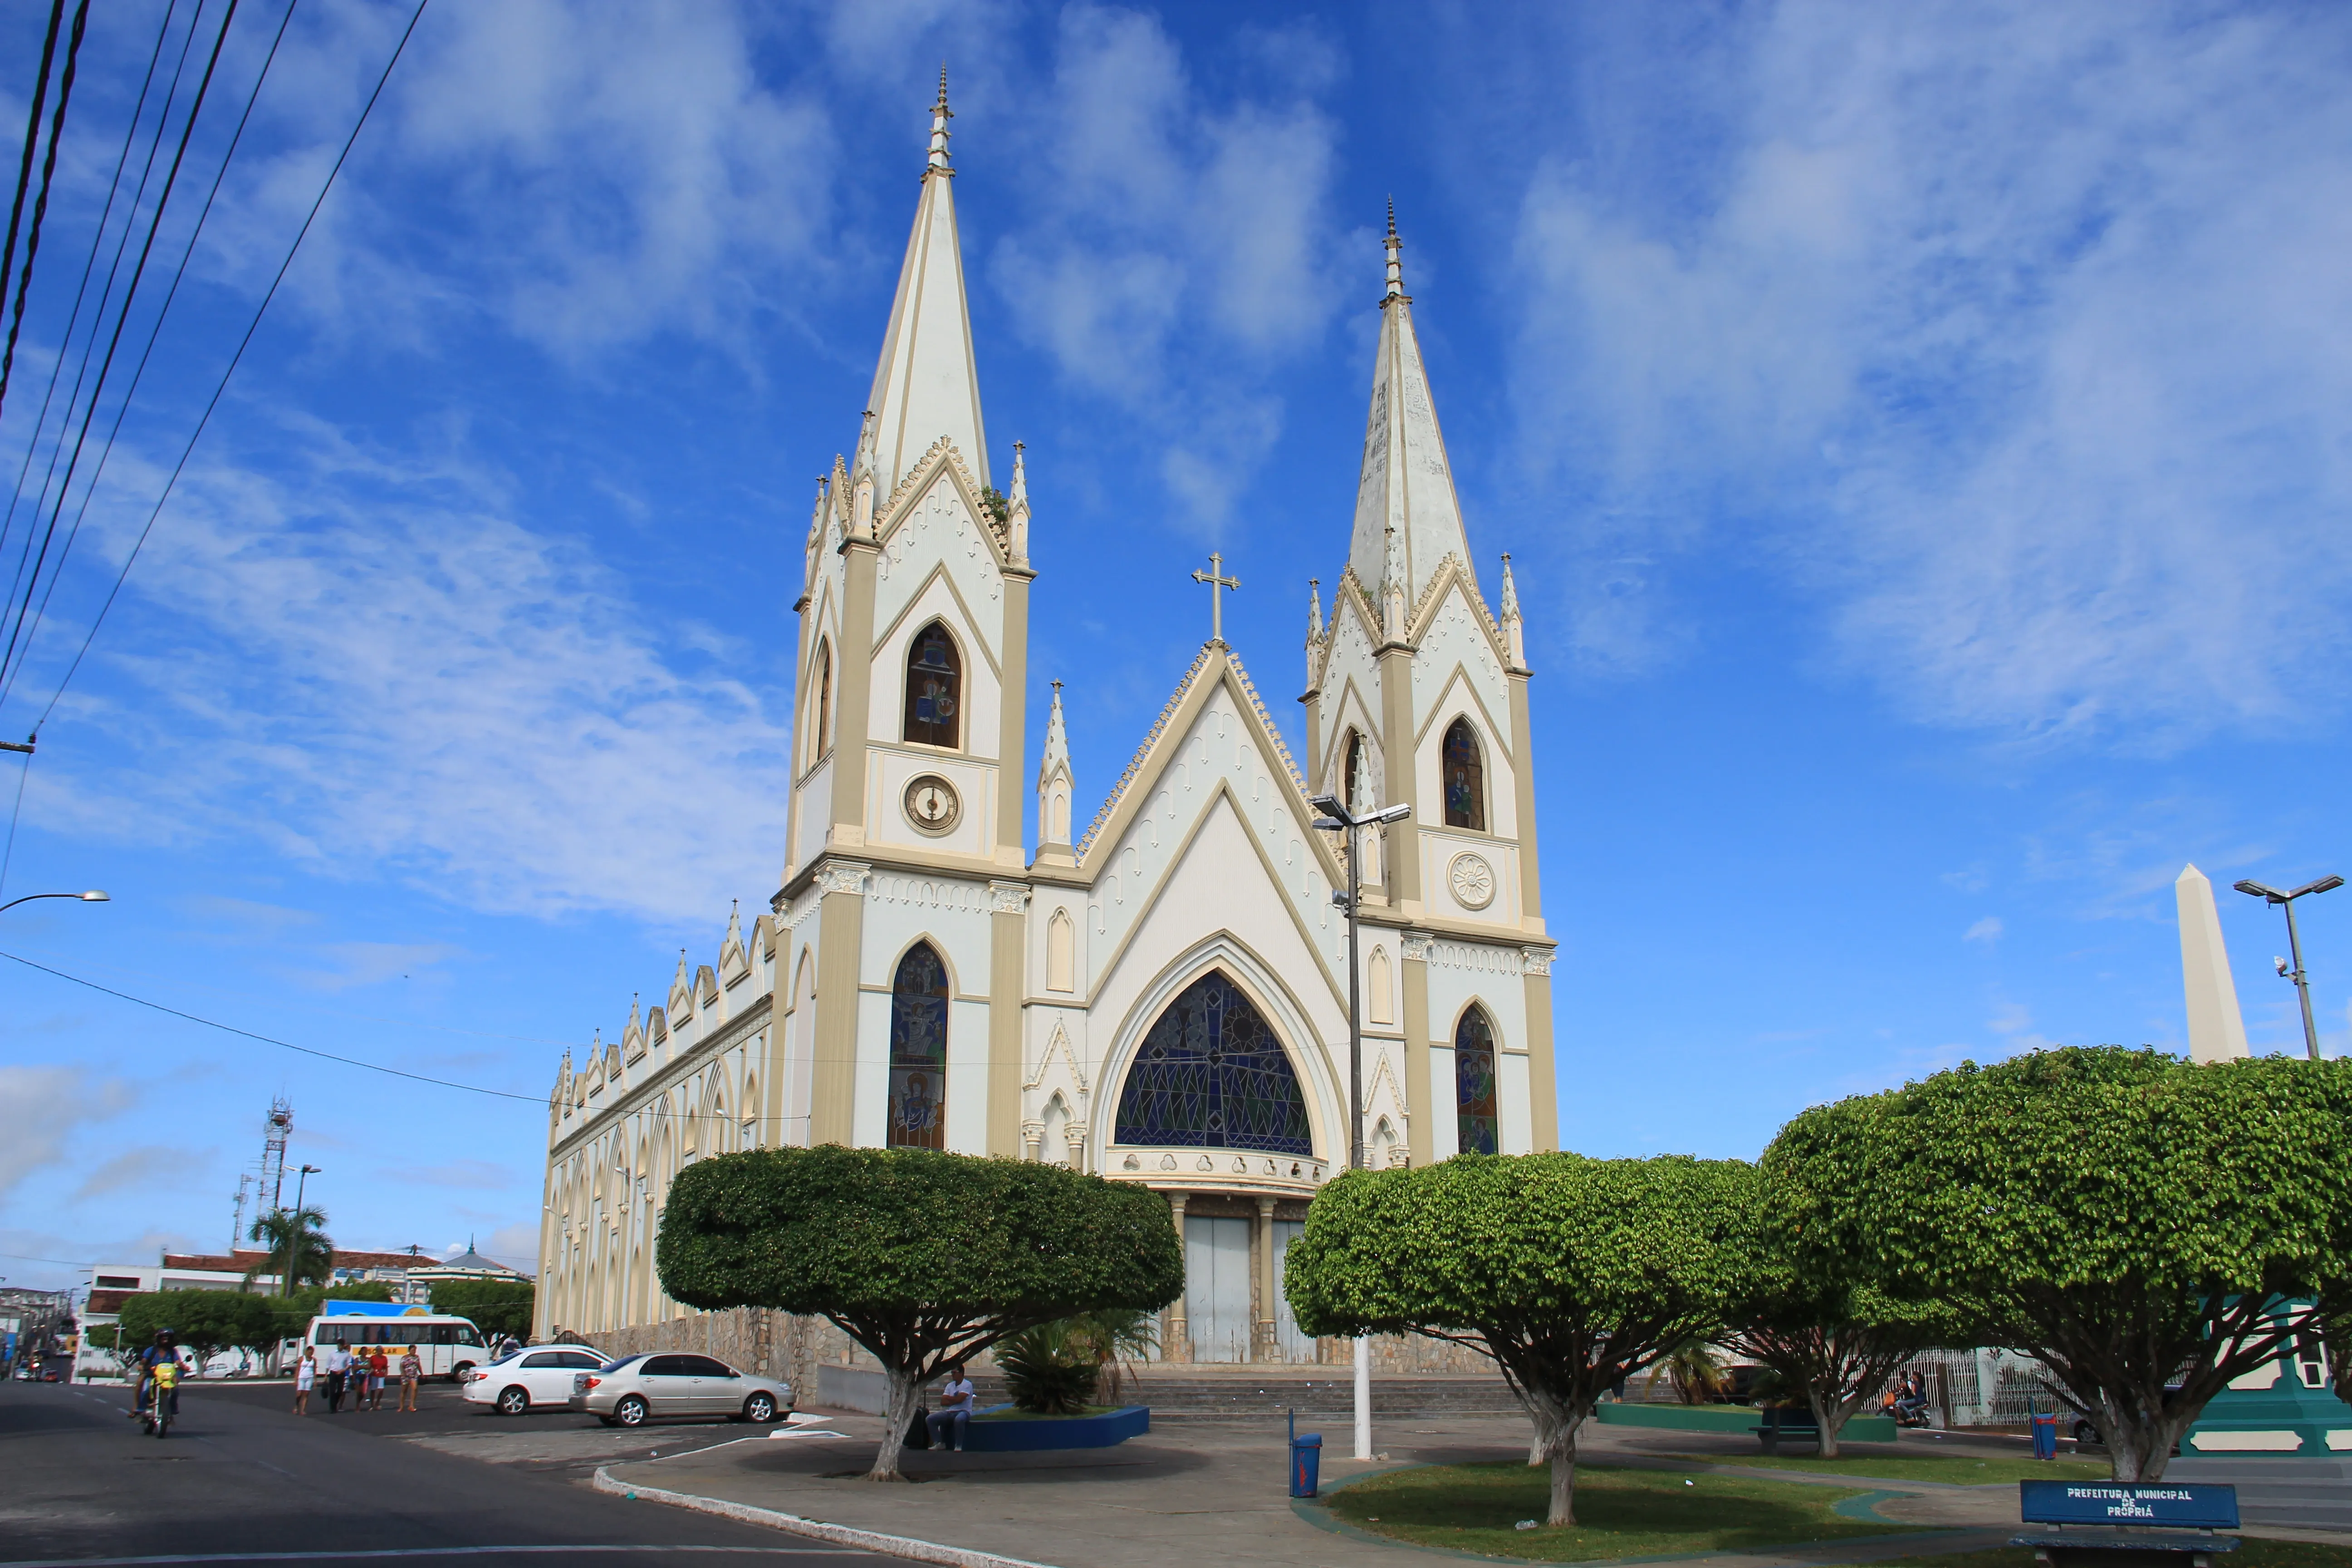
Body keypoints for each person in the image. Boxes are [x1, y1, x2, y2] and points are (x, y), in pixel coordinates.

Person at [925, 1362, 976, 1453]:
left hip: (964, 1411)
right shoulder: (950, 1386)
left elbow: (960, 1400)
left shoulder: (967, 1385)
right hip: (950, 1412)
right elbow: (943, 1402)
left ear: (961, 1373)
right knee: (930, 1419)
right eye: (952, 1373)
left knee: (959, 1420)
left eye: (954, 1372)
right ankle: (939, 1442)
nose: (952, 1375)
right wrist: (954, 1399)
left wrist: (949, 1398)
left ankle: (959, 1445)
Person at [323, 1339, 351, 1413]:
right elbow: (328, 1364)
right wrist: (326, 1375)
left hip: (341, 1373)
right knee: (332, 1391)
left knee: (340, 1391)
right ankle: (333, 1408)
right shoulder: (332, 1353)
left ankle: (334, 1404)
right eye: (339, 1345)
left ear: (343, 1346)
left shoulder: (347, 1354)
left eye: (341, 1345)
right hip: (333, 1373)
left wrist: (343, 1370)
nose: (340, 1347)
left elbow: (349, 1364)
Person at [397, 1345, 422, 1412]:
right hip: (406, 1376)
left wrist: (422, 1373)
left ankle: (412, 1406)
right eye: (413, 1350)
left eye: (415, 1350)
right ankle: (401, 1407)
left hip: (414, 1376)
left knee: (415, 1388)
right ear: (409, 1351)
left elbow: (419, 1366)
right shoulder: (405, 1358)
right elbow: (401, 1367)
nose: (414, 1352)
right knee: (404, 1391)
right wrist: (404, 1374)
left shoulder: (417, 1357)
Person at [293, 1348, 316, 1416]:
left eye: (312, 1353)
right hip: (302, 1378)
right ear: (306, 1352)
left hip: (310, 1378)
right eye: (309, 1352)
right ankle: (297, 1406)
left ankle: (303, 1410)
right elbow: (298, 1369)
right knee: (299, 1393)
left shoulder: (314, 1360)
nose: (310, 1354)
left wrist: (315, 1380)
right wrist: (296, 1380)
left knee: (306, 1394)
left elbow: (314, 1370)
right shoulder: (302, 1359)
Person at [367, 1347, 389, 1411]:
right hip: (374, 1375)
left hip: (381, 1375)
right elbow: (370, 1366)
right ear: (376, 1351)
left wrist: (386, 1373)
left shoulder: (385, 1358)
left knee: (381, 1390)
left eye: (381, 1351)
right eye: (379, 1351)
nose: (380, 1352)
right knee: (373, 1389)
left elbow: (386, 1367)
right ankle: (372, 1405)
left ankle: (377, 1403)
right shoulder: (373, 1358)